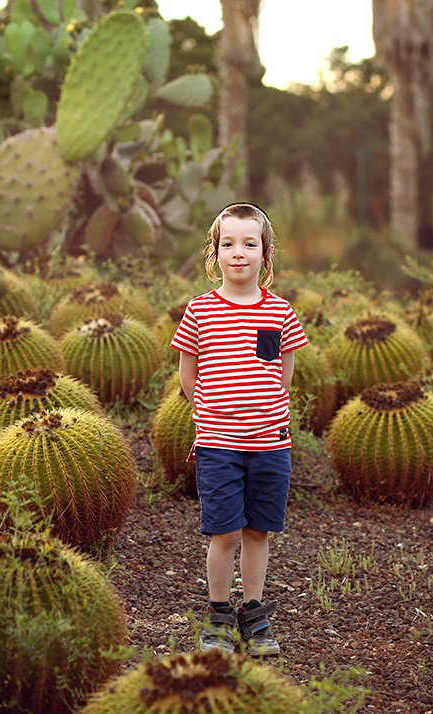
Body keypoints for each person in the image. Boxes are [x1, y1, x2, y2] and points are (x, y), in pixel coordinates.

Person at [169, 202, 308, 656]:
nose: (239, 252)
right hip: (218, 445)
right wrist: (215, 413)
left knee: (257, 532)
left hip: (271, 444)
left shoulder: (280, 312)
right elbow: (188, 377)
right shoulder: (200, 311)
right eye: (228, 243)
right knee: (224, 532)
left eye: (250, 243)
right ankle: (218, 615)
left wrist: (260, 411)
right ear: (214, 254)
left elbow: (283, 374)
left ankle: (254, 611)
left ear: (266, 255)